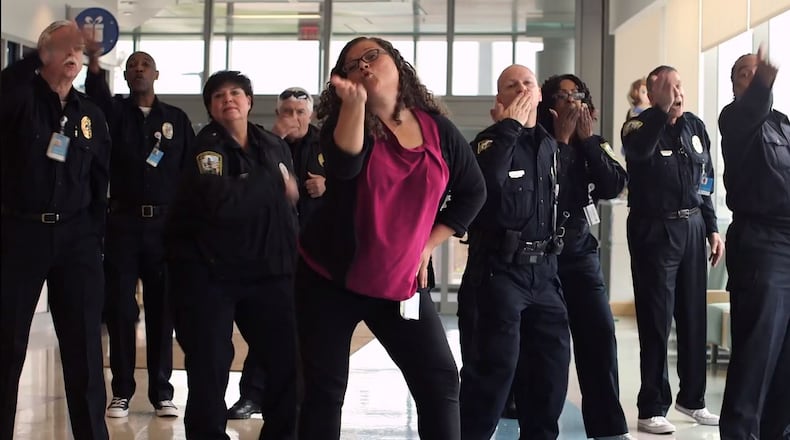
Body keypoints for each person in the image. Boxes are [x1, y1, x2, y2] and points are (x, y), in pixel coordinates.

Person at [294, 36, 486, 439]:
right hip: (329, 279)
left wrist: (428, 245)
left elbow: (473, 191)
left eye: (371, 56)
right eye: (351, 64)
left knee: (439, 381)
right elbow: (345, 168)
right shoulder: (345, 123)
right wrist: (354, 105)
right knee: (323, 391)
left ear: (396, 63)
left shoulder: (439, 131)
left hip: (400, 283)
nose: (363, 66)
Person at [164, 70, 300, 439]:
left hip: (269, 272)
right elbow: (220, 203)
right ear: (210, 107)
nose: (229, 100)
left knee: (286, 363)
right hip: (211, 276)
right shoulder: (205, 148)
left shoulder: (273, 145)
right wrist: (271, 183)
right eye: (219, 95)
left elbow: (289, 209)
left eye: (236, 93)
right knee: (210, 367)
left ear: (249, 101)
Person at [0, 20, 111, 439]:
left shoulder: (90, 115)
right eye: (62, 47)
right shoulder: (18, 99)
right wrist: (36, 55)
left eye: (77, 49)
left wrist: (95, 238)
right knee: (8, 345)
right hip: (20, 233)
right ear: (44, 54)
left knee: (83, 349)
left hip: (77, 239)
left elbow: (101, 179)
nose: (72, 55)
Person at [458, 64, 570, 440]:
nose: (522, 89)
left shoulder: (551, 145)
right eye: (512, 85)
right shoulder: (488, 142)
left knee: (551, 371)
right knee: (494, 370)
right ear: (500, 99)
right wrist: (508, 128)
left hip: (545, 273)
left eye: (528, 84)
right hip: (500, 271)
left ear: (539, 95)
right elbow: (485, 185)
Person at [84, 45, 195, 419]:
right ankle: (121, 391)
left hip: (165, 228)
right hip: (123, 225)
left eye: (145, 65)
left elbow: (189, 176)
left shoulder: (176, 119)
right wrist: (96, 64)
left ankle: (162, 391)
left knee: (163, 310)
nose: (139, 69)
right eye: (132, 66)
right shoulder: (114, 114)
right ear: (127, 76)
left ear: (157, 75)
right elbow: (95, 99)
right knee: (119, 308)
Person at [620, 65, 724, 435]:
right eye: (668, 87)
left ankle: (692, 399)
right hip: (654, 228)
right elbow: (640, 151)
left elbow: (705, 181)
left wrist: (712, 228)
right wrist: (660, 112)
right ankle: (651, 406)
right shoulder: (637, 125)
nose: (677, 93)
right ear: (652, 92)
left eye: (679, 86)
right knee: (656, 319)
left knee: (692, 315)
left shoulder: (695, 126)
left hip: (692, 224)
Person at [536, 74, 630, 440]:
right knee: (548, 348)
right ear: (549, 104)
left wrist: (588, 141)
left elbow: (614, 185)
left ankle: (608, 427)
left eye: (578, 95)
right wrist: (560, 141)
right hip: (542, 259)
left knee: (599, 337)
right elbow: (541, 183)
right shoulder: (538, 141)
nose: (572, 102)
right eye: (564, 96)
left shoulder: (595, 143)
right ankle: (540, 426)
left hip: (580, 254)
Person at [226, 86, 325, 420]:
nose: (293, 119)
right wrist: (276, 139)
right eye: (287, 112)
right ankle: (252, 396)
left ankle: (300, 397)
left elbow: (353, 186)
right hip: (270, 251)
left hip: (314, 252)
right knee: (265, 326)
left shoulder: (325, 145)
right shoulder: (262, 144)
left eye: (300, 112)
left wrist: (328, 185)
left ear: (310, 115)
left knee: (307, 329)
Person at [719, 47, 790, 440]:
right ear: (735, 87)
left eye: (756, 71)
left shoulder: (784, 125)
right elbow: (752, 107)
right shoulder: (736, 119)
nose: (754, 76)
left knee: (784, 364)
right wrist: (763, 81)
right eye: (744, 73)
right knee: (756, 356)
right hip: (762, 245)